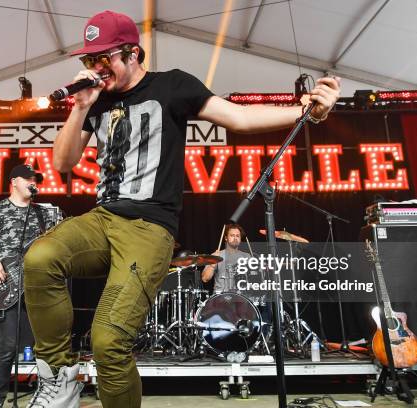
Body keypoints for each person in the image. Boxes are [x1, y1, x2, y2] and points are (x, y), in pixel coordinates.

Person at [23, 9, 340, 408]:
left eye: (104, 58)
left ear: (133, 53)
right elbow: (63, 163)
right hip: (103, 217)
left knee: (108, 341)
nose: (96, 67)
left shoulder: (172, 85)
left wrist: (304, 110)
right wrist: (81, 105)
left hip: (149, 226)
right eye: (89, 59)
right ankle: (59, 376)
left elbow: (238, 117)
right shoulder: (96, 102)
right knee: (40, 257)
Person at [0, 164, 53, 408]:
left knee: (44, 345)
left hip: (36, 284)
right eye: (28, 178)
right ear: (14, 181)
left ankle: (45, 396)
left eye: (35, 179)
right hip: (7, 284)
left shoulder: (42, 213)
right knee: (7, 348)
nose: (33, 182)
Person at [201, 224, 250, 293]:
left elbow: (254, 280)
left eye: (237, 236)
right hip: (220, 297)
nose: (235, 238)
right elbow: (205, 278)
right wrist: (212, 265)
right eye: (232, 235)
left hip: (242, 297)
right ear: (226, 238)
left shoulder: (247, 256)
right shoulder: (216, 255)